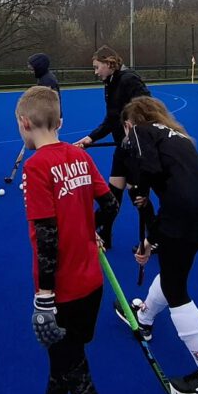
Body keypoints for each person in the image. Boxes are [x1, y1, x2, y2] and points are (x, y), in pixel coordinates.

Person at [11, 85, 143, 394]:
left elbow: (47, 237)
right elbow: (111, 205)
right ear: (61, 122)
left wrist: (45, 297)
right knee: (66, 363)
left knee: (77, 374)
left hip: (63, 291)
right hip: (91, 285)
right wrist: (94, 231)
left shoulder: (36, 166)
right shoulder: (80, 156)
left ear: (25, 124)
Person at [115, 96, 198, 394]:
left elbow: (147, 168)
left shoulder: (139, 132)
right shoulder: (176, 135)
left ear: (129, 123)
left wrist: (140, 191)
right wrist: (151, 239)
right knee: (173, 271)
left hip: (183, 212)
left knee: (175, 289)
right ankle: (144, 319)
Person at [71, 46, 149, 250]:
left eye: (97, 67)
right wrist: (90, 138)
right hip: (122, 148)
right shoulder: (110, 83)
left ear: (109, 63)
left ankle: (155, 238)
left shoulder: (129, 80)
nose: (95, 72)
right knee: (113, 194)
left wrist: (134, 133)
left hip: (135, 149)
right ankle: (105, 234)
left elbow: (148, 109)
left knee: (136, 195)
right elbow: (111, 120)